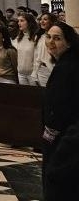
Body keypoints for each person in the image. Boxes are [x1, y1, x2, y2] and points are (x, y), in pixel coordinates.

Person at [41, 22, 79, 200]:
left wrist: (50, 134)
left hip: (66, 139)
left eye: (57, 38)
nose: (51, 42)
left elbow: (60, 106)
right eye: (48, 37)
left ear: (69, 42)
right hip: (65, 135)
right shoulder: (66, 63)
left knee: (57, 182)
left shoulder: (67, 67)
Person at [13, 13, 38, 86]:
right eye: (18, 21)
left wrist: (34, 74)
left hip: (32, 74)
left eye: (22, 21)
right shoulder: (19, 37)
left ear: (29, 22)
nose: (19, 23)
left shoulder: (35, 37)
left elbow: (37, 58)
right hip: (21, 74)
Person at [33, 13, 57, 86]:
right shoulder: (39, 36)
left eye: (45, 19)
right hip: (42, 70)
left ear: (51, 22)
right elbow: (37, 56)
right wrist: (35, 73)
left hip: (54, 69)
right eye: (41, 19)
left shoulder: (56, 37)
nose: (42, 21)